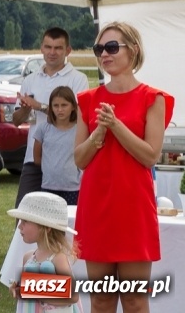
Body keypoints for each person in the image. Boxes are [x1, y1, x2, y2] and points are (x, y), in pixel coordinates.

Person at [73, 21, 173, 313]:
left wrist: (115, 126)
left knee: (134, 299)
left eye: (112, 47)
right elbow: (79, 159)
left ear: (134, 51)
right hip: (97, 206)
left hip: (133, 208)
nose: (104, 54)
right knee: (102, 299)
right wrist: (98, 134)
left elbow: (150, 156)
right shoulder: (87, 100)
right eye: (99, 48)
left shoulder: (153, 99)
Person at [13, 27, 89, 207]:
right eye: (48, 47)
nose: (52, 52)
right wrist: (25, 109)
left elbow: (78, 116)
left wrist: (40, 106)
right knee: (25, 217)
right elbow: (16, 121)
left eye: (58, 48)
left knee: (64, 219)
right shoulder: (30, 80)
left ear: (68, 51)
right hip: (34, 159)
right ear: (41, 48)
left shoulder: (78, 79)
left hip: (65, 162)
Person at [8, 192, 81, 312]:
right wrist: (18, 288)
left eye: (25, 221)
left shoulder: (58, 258)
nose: (20, 226)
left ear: (46, 228)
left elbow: (73, 296)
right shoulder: (28, 258)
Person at [34, 86, 81, 205]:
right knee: (48, 222)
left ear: (73, 107)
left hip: (73, 188)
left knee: (70, 221)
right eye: (56, 105)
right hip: (48, 187)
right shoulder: (43, 129)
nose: (60, 109)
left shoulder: (80, 130)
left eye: (64, 105)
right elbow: (37, 158)